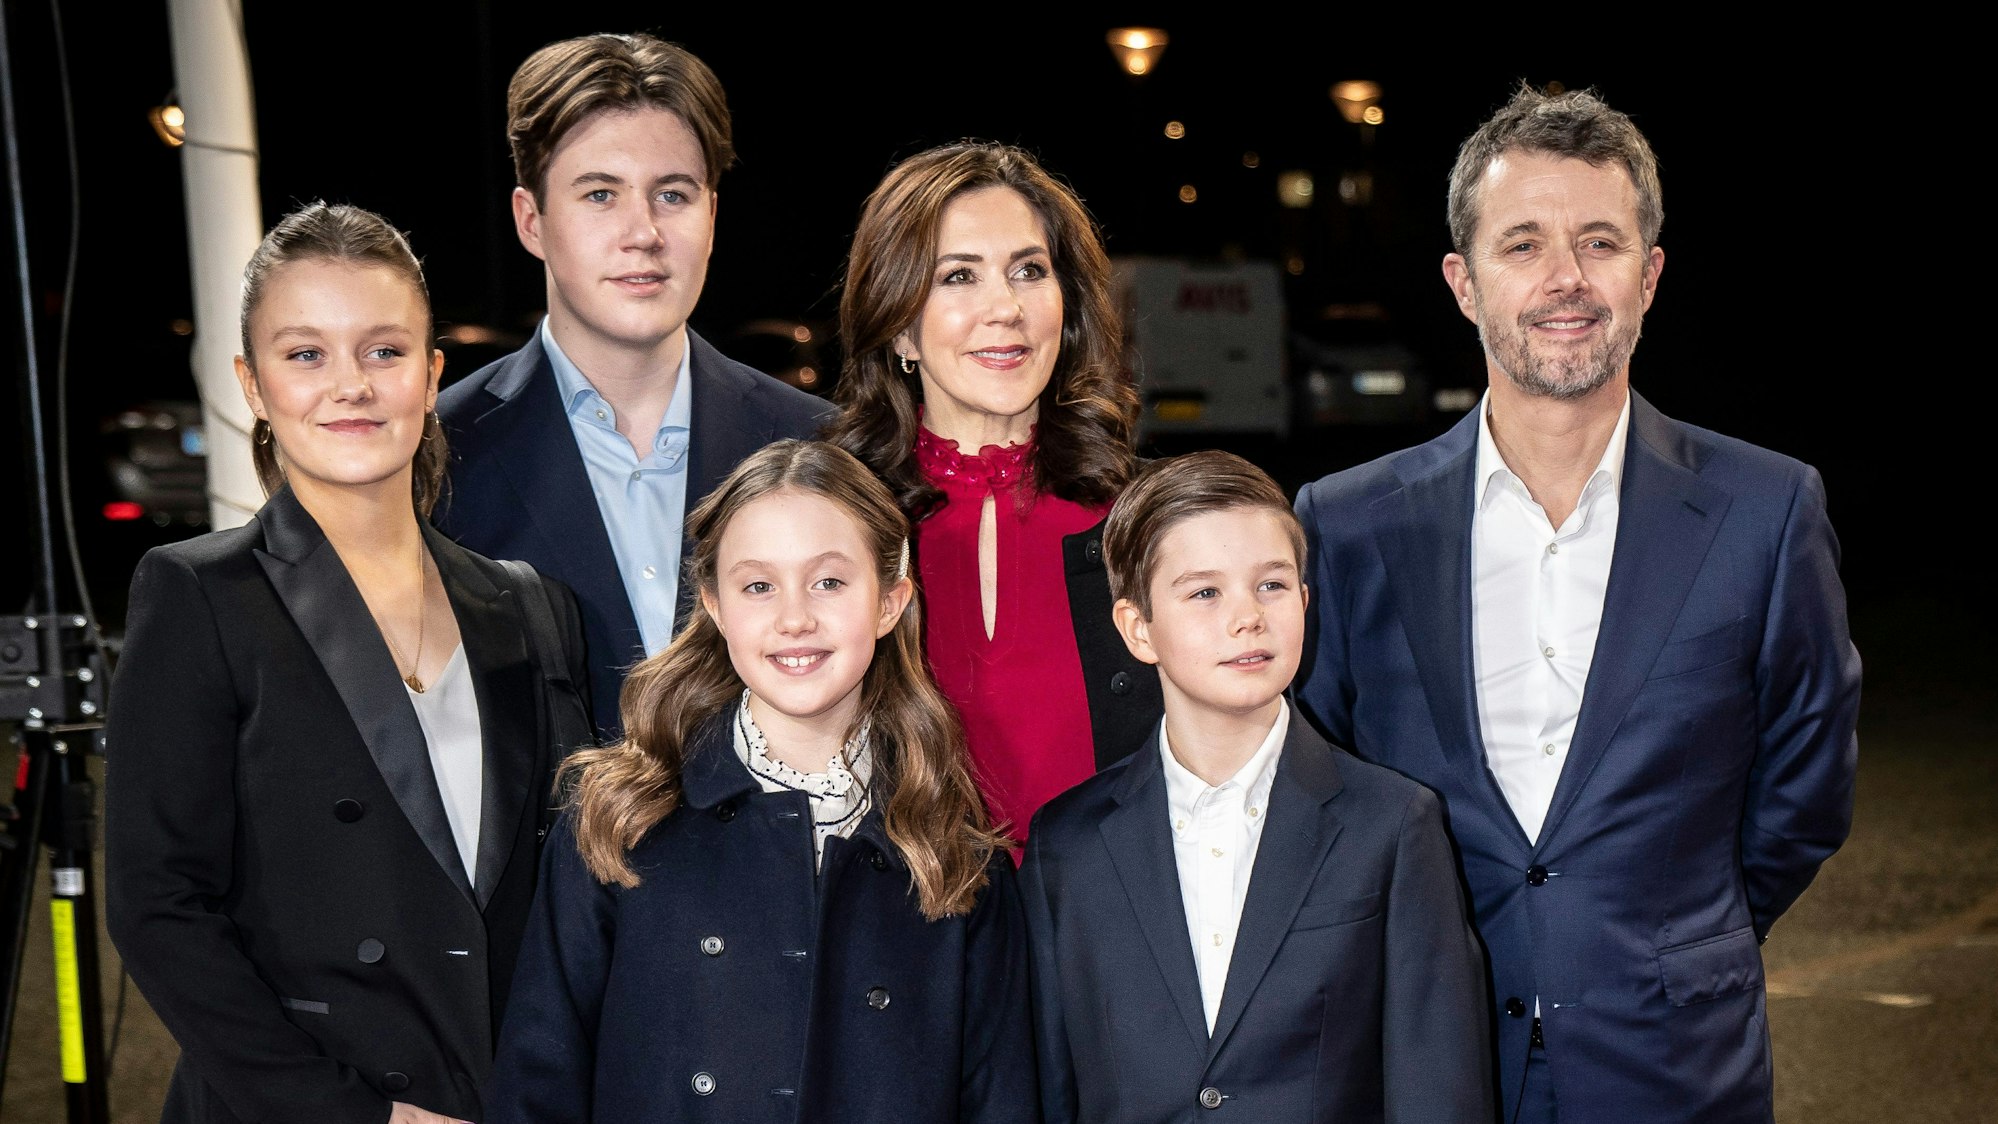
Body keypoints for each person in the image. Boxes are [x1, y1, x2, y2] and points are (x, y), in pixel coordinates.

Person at [1293, 86, 1862, 1123]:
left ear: (1648, 276)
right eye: (1524, 244)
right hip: (1429, 1053)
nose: (1566, 279)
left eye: (1599, 242)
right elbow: (1321, 788)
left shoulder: (1766, 508)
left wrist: (1676, 927)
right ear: (1464, 283)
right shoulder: (1348, 524)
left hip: (1675, 1056)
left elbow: (1808, 782)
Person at [105, 203, 589, 1124]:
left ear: (432, 372)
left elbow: (565, 890)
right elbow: (158, 906)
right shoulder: (197, 595)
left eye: (382, 351)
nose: (350, 386)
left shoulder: (529, 606)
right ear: (252, 384)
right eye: (305, 355)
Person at [489, 439, 1035, 1122]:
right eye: (758, 586)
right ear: (715, 606)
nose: (795, 618)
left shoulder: (958, 855)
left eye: (830, 582)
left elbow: (1001, 1104)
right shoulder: (617, 819)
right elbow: (536, 1090)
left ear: (892, 601)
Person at [1020, 451, 1492, 1123]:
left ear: (1304, 600)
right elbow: (1049, 1089)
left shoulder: (1392, 825)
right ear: (1137, 628)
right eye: (1205, 592)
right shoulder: (1066, 846)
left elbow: (1438, 1089)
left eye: (1271, 585)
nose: (1248, 617)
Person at [436, 32, 831, 739]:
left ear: (713, 213)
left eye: (672, 194)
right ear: (532, 221)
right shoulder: (439, 455)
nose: (642, 232)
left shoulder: (819, 442)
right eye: (599, 194)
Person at [827, 141, 1162, 840]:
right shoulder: (833, 524)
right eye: (958, 276)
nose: (1005, 307)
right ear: (899, 327)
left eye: (1029, 271)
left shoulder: (1147, 521)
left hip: (1105, 932)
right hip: (907, 932)